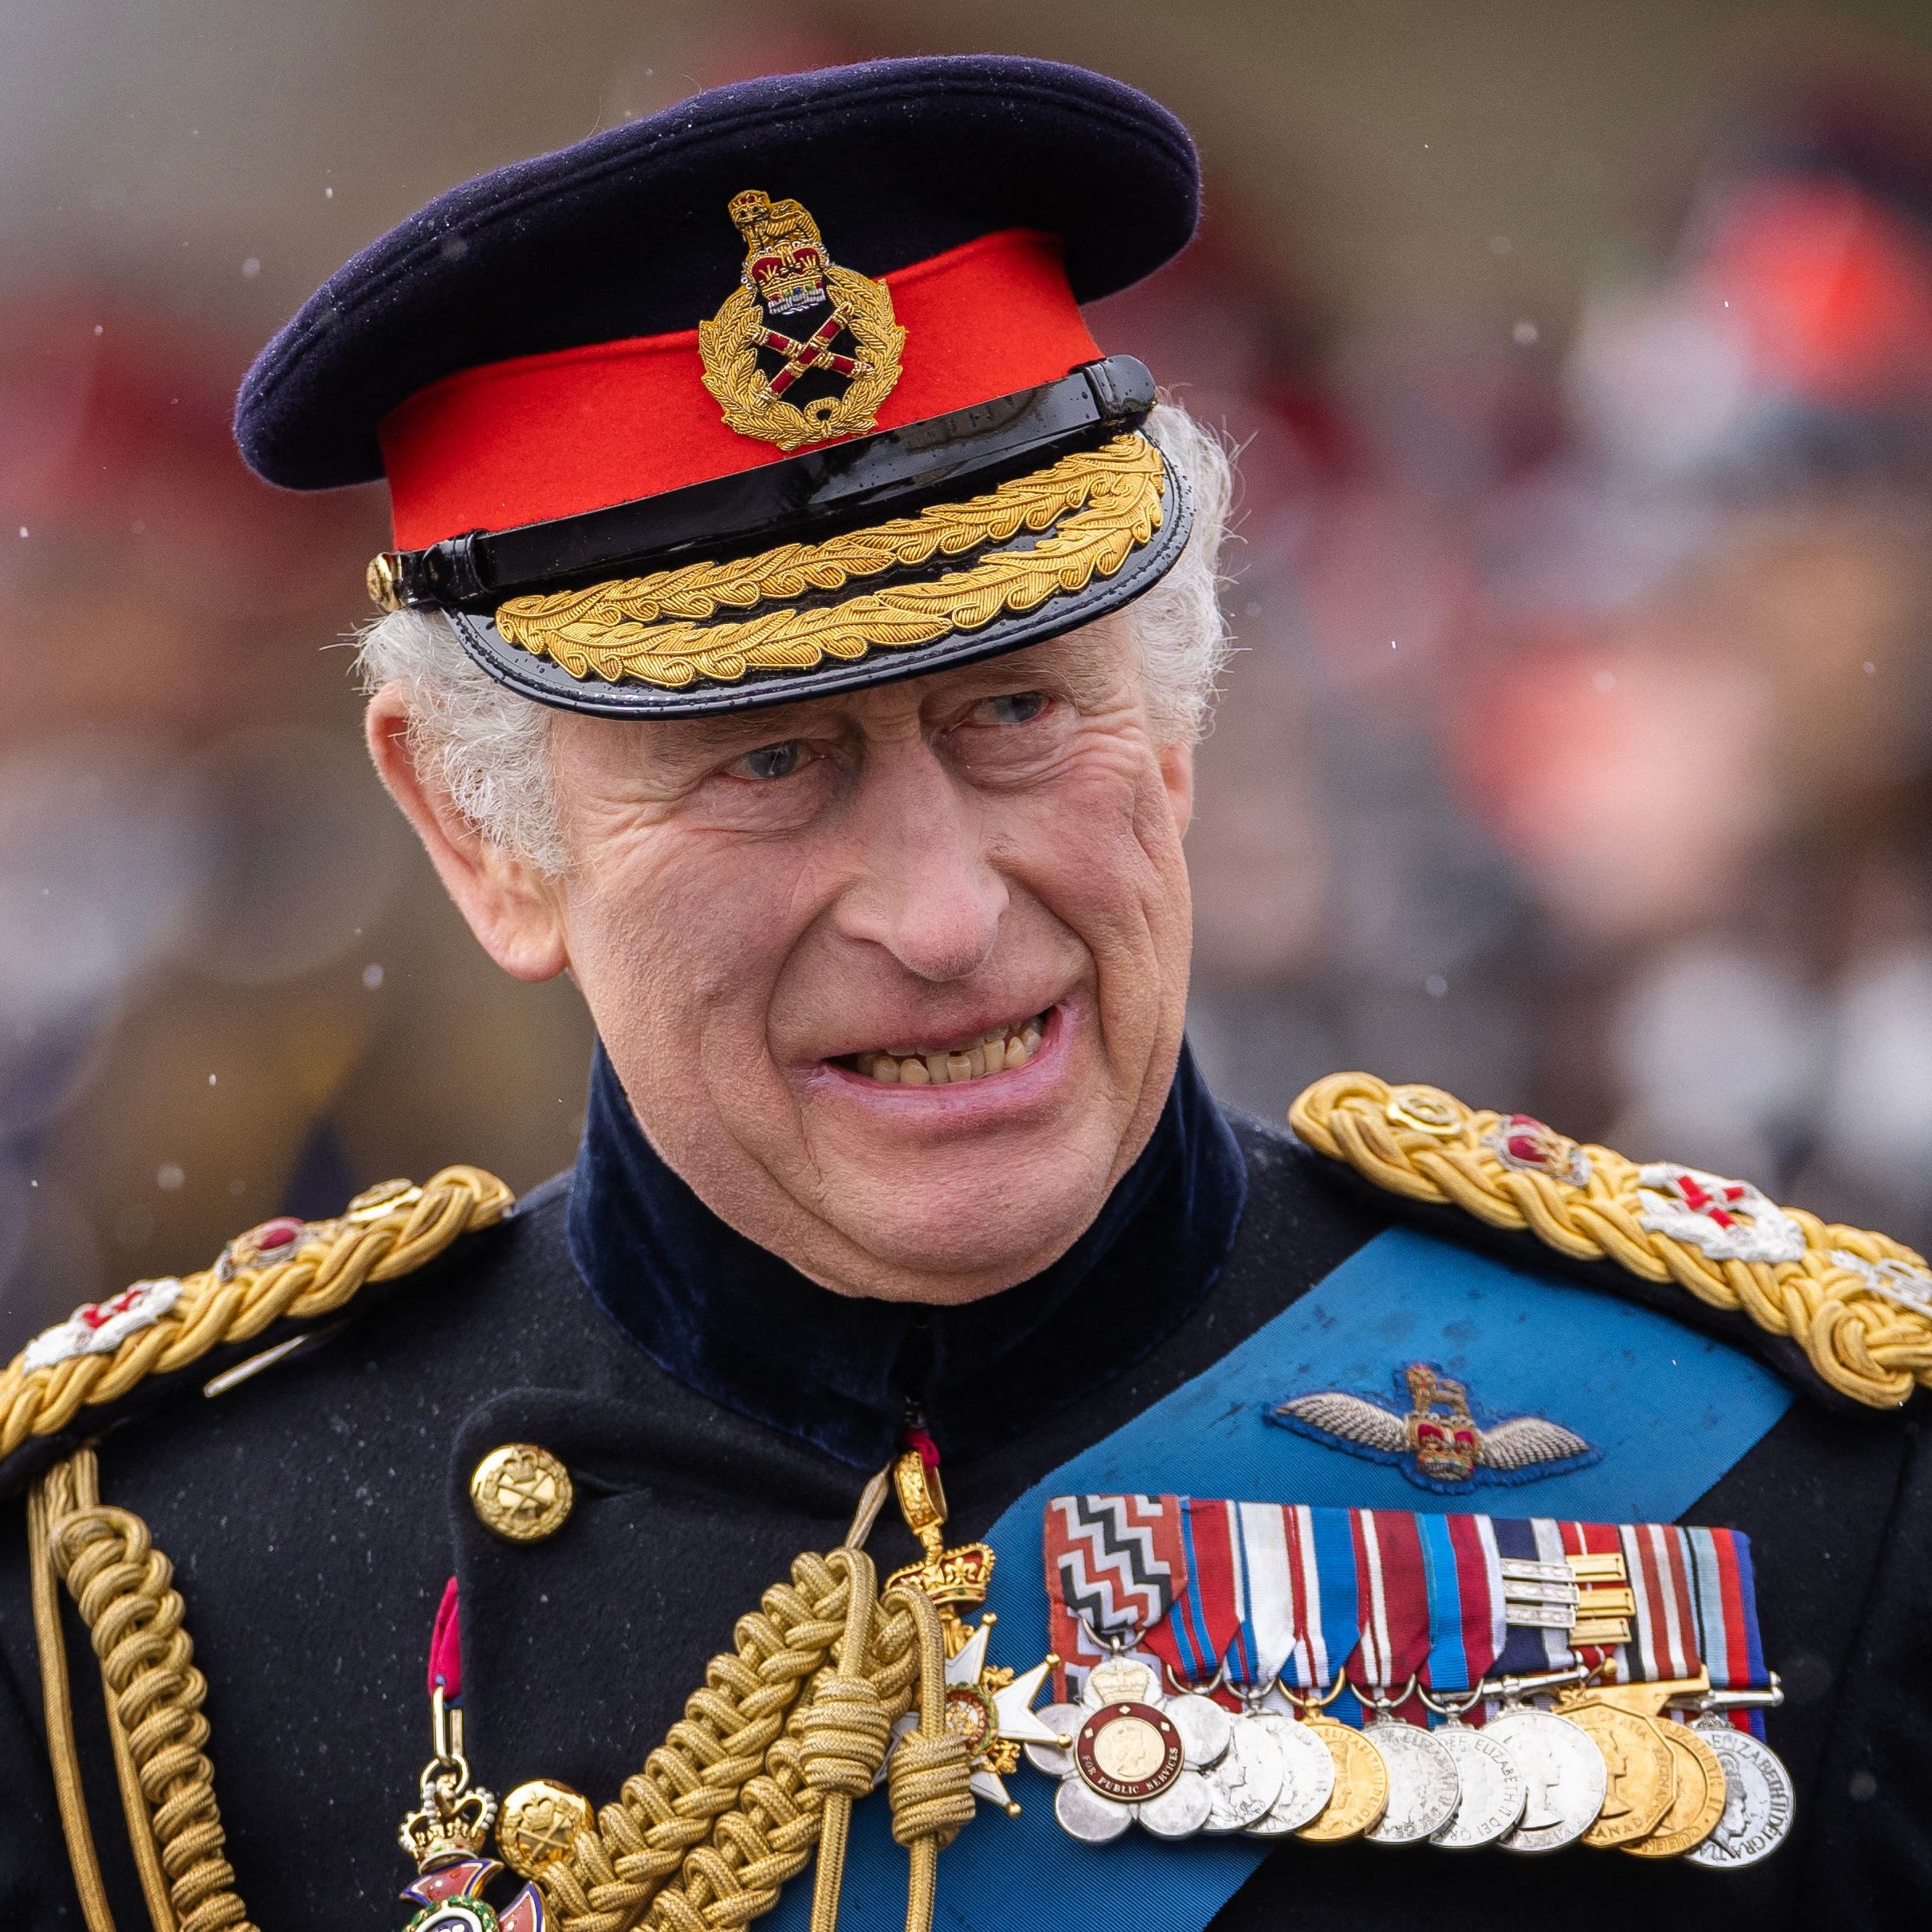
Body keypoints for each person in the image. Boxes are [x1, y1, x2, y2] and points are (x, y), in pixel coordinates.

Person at [1, 55, 1927, 1932]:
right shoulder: (155, 1593)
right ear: (482, 834)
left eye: (1013, 712)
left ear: (1171, 734)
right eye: (766, 760)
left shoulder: (1794, 1475)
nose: (937, 915)